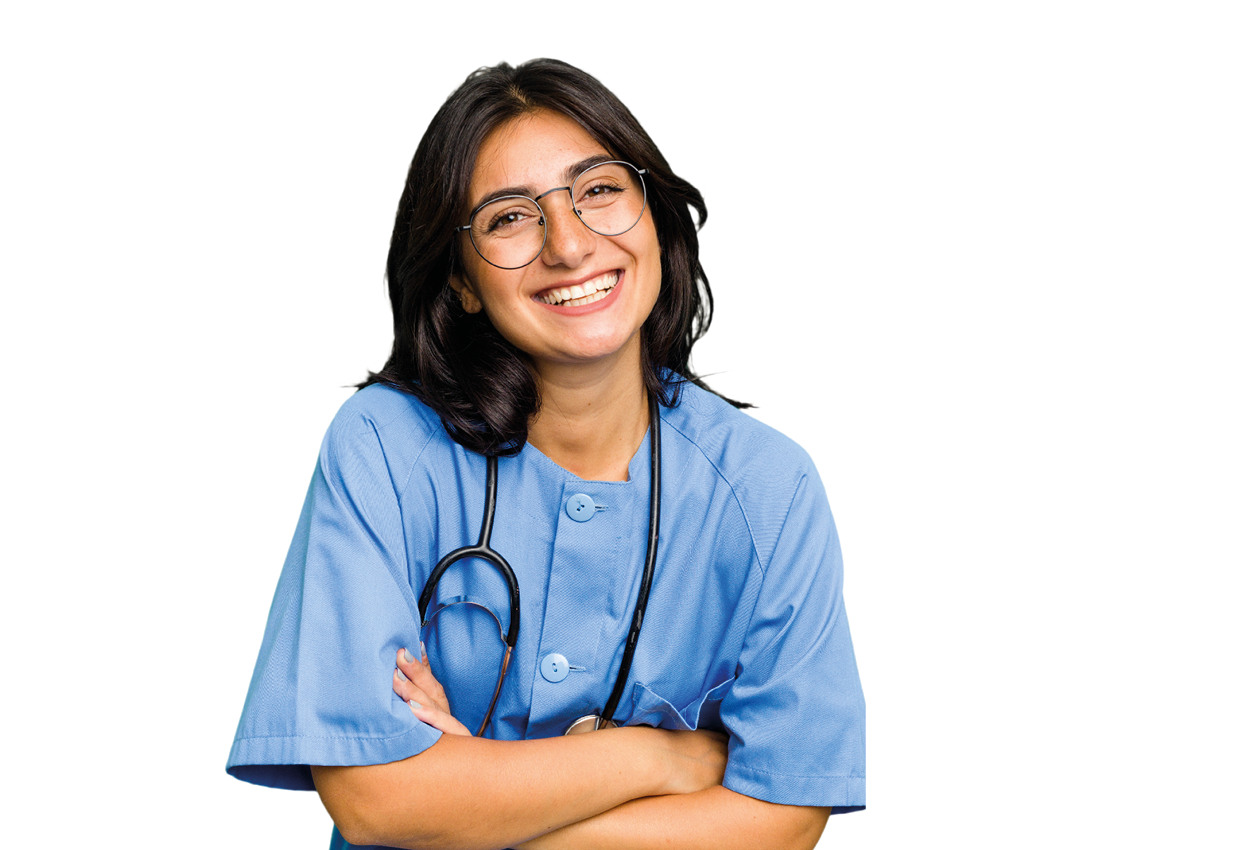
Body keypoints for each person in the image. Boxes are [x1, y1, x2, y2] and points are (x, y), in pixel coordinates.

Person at [226, 57, 865, 849]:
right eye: (508, 217)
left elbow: (783, 817)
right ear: (460, 280)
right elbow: (373, 797)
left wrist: (467, 807)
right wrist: (664, 758)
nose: (567, 244)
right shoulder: (384, 449)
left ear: (656, 217)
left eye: (599, 189)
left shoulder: (768, 489)